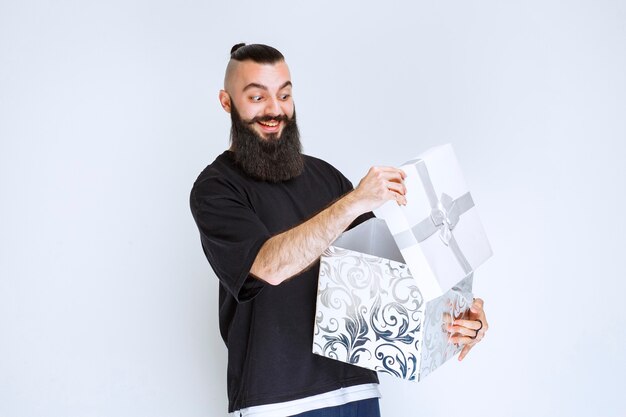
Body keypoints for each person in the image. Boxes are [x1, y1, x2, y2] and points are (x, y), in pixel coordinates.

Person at [190, 43, 488, 417]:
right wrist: (353, 202)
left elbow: (389, 274)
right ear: (226, 102)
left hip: (358, 389)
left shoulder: (325, 177)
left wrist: (458, 309)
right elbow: (268, 266)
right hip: (277, 401)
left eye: (284, 94)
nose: (275, 109)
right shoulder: (216, 188)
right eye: (256, 96)